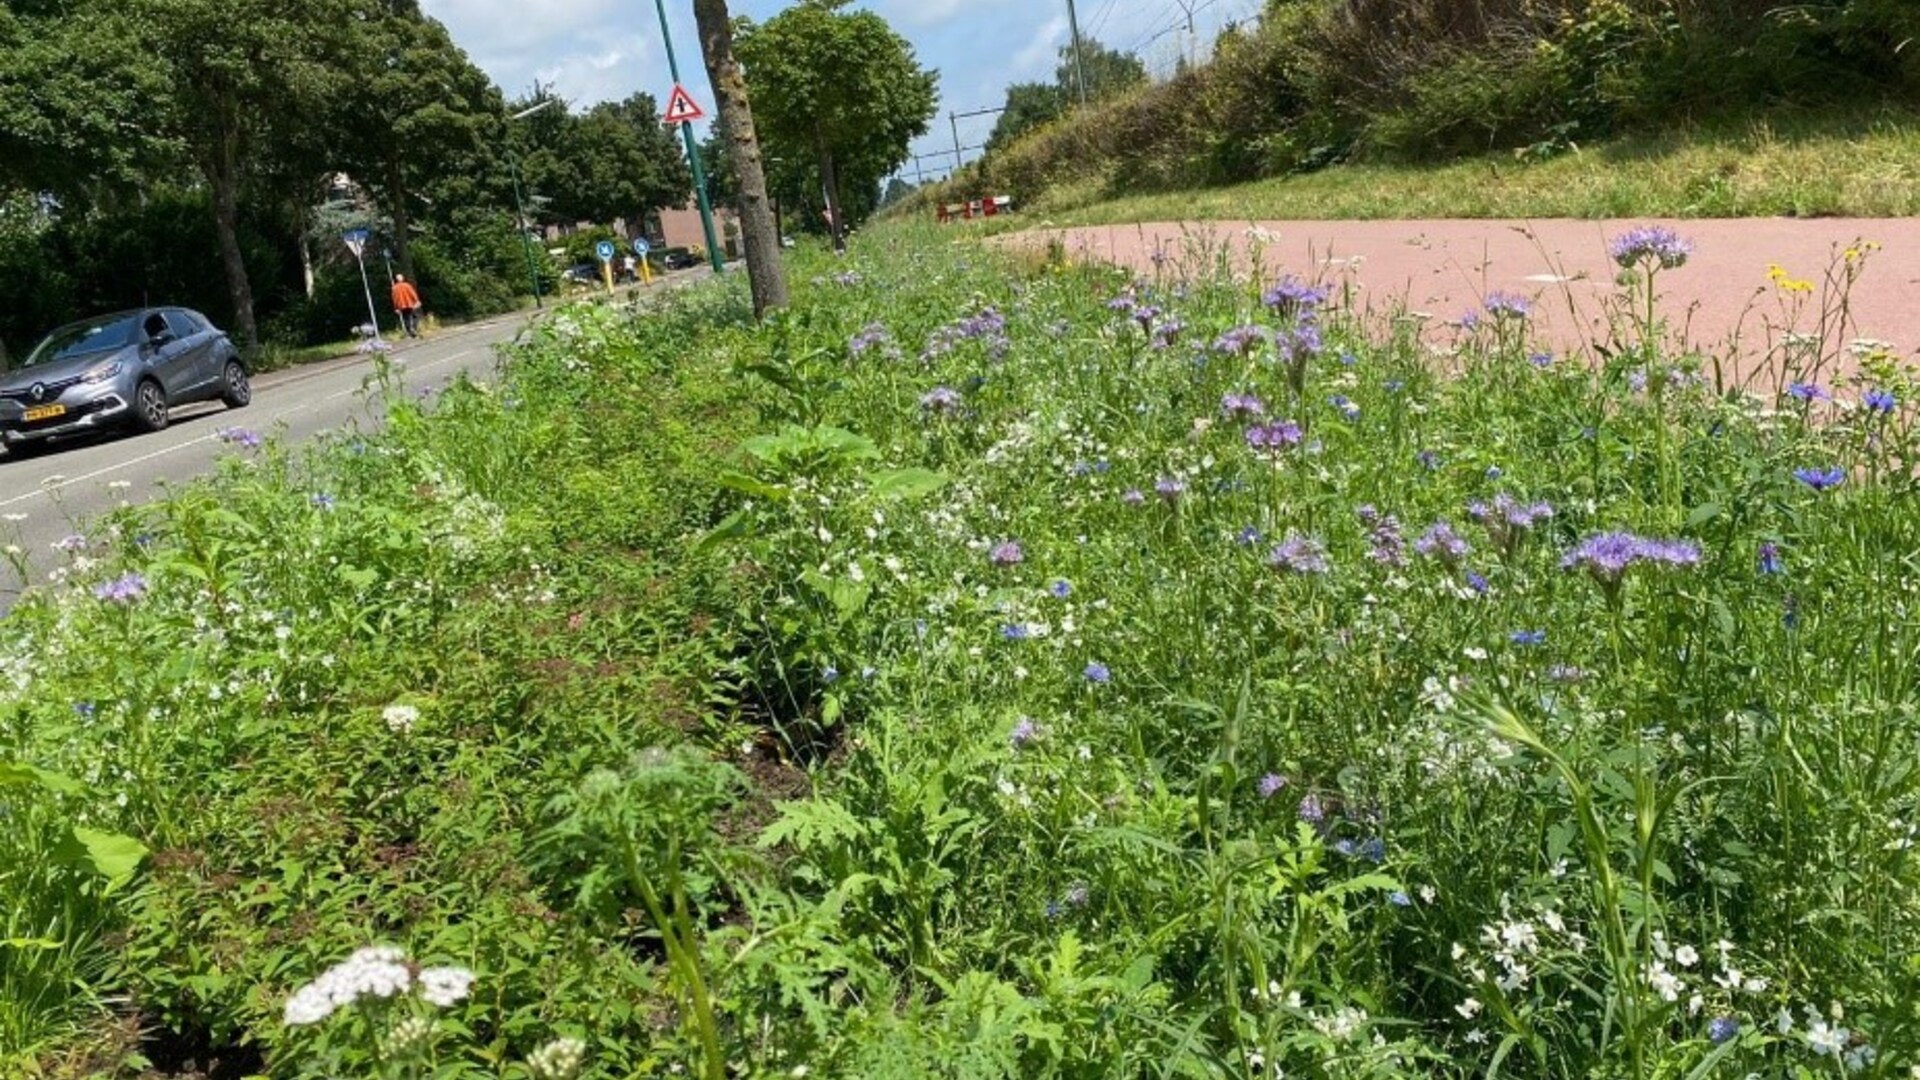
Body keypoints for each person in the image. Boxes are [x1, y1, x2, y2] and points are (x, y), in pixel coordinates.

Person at [391, 274, 424, 339]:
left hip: (401, 306)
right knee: (416, 316)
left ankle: (410, 332)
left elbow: (394, 298)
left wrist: (396, 307)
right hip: (410, 304)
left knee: (406, 319)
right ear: (402, 279)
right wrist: (417, 301)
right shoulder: (407, 285)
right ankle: (414, 328)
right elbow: (412, 293)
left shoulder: (394, 288)